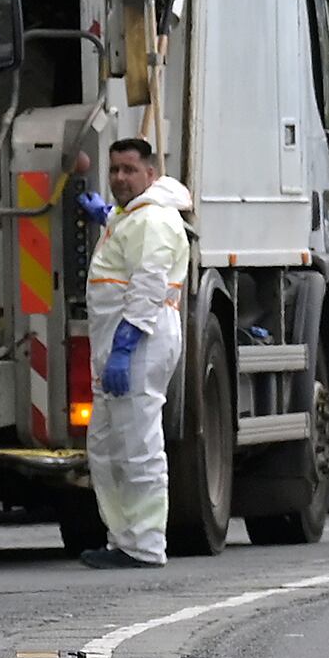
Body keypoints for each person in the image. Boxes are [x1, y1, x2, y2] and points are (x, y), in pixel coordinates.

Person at [79, 137, 195, 569]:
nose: (120, 179)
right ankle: (125, 538)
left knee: (138, 446)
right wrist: (106, 215)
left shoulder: (153, 221)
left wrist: (126, 348)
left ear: (150, 173)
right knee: (109, 445)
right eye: (114, 170)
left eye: (129, 170)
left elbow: (147, 287)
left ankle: (145, 544)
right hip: (121, 343)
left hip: (138, 342)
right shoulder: (136, 217)